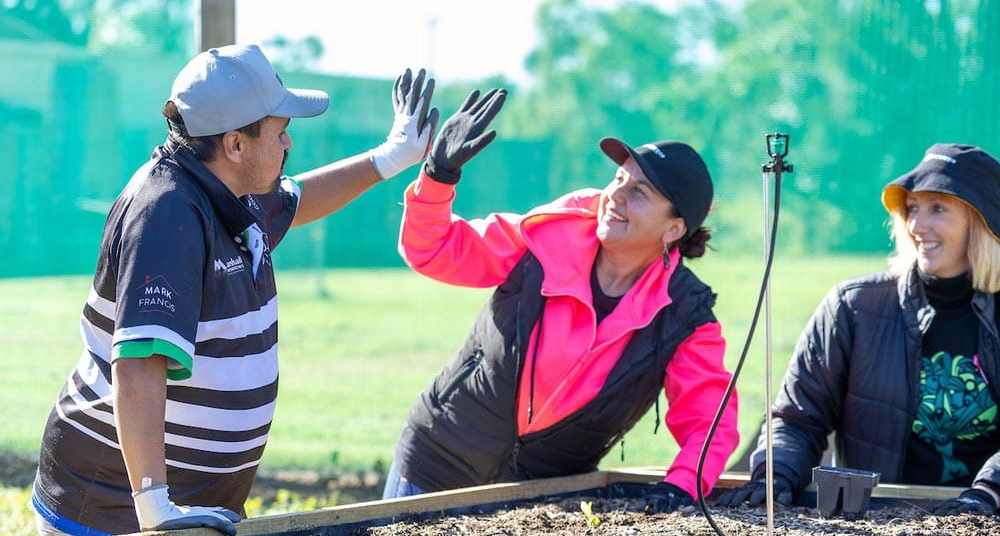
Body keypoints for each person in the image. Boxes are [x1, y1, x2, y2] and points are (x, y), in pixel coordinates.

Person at [31, 44, 439, 536]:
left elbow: (300, 199)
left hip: (173, 506)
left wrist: (392, 157)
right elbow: (139, 365)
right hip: (111, 511)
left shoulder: (229, 189)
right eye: (280, 129)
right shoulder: (168, 212)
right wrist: (155, 509)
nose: (289, 142)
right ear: (235, 144)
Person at [381, 87, 740, 512]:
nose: (617, 197)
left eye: (639, 192)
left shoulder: (686, 316)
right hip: (434, 465)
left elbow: (710, 422)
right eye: (618, 179)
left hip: (540, 502)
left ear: (674, 229)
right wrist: (439, 176)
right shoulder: (546, 236)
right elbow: (434, 249)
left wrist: (682, 486)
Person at [718, 143, 1000, 516]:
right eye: (912, 208)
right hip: (874, 518)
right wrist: (776, 476)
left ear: (982, 221)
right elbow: (797, 418)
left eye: (938, 209)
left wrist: (987, 495)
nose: (917, 225)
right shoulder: (853, 306)